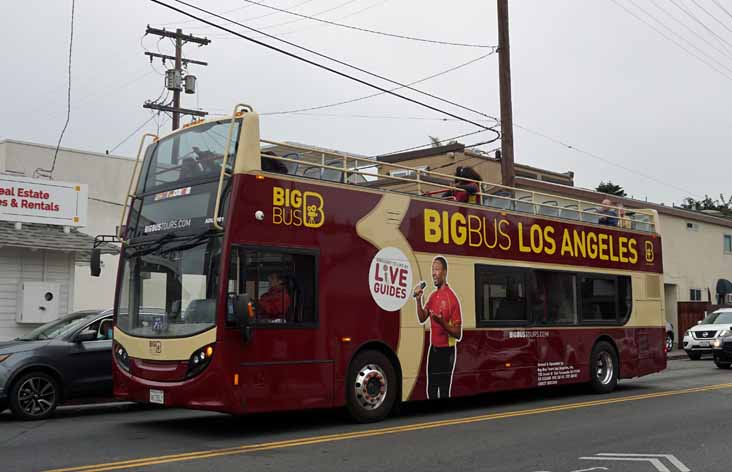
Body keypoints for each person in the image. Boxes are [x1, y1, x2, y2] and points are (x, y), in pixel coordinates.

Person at [414, 256, 463, 399]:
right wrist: (418, 300)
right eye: (432, 270)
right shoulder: (433, 296)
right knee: (431, 390)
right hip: (433, 350)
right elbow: (422, 317)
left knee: (444, 391)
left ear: (445, 272)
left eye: (436, 269)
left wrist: (443, 323)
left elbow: (458, 334)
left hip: (447, 352)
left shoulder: (452, 299)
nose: (433, 273)